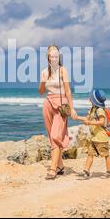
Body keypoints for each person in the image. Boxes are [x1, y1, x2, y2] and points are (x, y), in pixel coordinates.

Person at [38, 44, 77, 180]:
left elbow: (67, 90)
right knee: (51, 136)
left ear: (58, 57)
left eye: (56, 55)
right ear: (48, 57)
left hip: (61, 105)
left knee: (56, 136)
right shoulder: (44, 72)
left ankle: (53, 169)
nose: (54, 58)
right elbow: (41, 92)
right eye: (51, 55)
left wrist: (72, 108)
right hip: (48, 104)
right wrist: (43, 81)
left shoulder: (62, 70)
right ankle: (60, 166)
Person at [74, 89, 110, 179]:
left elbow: (102, 122)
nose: (89, 98)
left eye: (90, 97)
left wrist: (90, 123)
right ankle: (86, 171)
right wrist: (76, 117)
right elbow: (86, 118)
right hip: (94, 138)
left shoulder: (99, 110)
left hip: (101, 138)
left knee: (106, 155)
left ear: (93, 100)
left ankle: (109, 171)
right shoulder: (92, 109)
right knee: (90, 154)